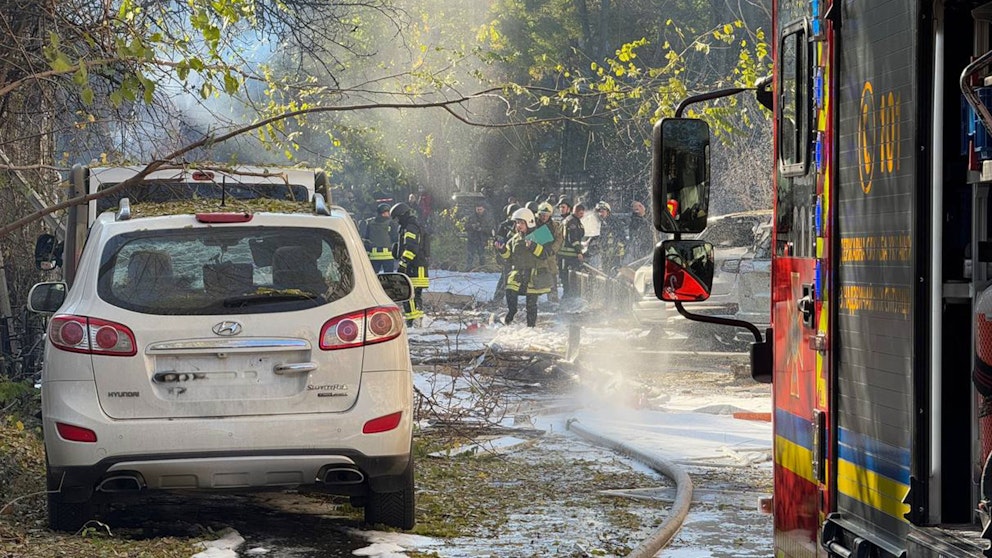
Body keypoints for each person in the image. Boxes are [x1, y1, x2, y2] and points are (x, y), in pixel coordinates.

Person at [494, 207, 552, 327]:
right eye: (517, 223)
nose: (518, 225)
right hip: (518, 273)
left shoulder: (540, 234)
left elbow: (546, 254)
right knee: (510, 291)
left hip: (534, 274)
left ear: (529, 222)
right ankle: (510, 315)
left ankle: (531, 327)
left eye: (521, 223)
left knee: (531, 304)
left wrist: (533, 246)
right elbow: (509, 257)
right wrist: (502, 249)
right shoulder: (515, 238)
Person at [390, 202, 430, 326]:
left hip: (414, 268)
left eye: (397, 218)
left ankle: (413, 322)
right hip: (417, 267)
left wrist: (403, 263)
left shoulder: (410, 227)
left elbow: (411, 248)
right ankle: (417, 321)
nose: (397, 221)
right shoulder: (410, 225)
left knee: (410, 295)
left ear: (402, 215)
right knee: (414, 296)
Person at [535, 201, 563, 302]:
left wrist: (552, 250)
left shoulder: (554, 225)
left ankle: (553, 298)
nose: (544, 217)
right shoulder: (534, 224)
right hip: (537, 255)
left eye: (546, 215)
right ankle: (533, 299)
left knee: (552, 275)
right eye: (542, 215)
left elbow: (559, 239)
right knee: (536, 276)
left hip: (550, 255)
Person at [491, 203, 519, 302]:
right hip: (507, 255)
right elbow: (498, 241)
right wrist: (499, 254)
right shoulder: (504, 226)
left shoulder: (521, 224)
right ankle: (498, 299)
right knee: (505, 277)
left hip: (519, 256)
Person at [359, 203, 398, 273]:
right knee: (389, 277)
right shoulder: (391, 223)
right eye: (388, 212)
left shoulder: (370, 223)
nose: (389, 214)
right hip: (388, 256)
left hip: (374, 256)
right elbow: (395, 238)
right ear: (384, 213)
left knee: (374, 277)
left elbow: (367, 238)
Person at [558, 202, 585, 298]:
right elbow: (573, 238)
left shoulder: (573, 220)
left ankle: (568, 294)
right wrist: (579, 252)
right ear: (576, 211)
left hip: (566, 254)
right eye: (581, 213)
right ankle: (570, 295)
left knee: (567, 275)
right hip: (569, 254)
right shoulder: (573, 221)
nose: (582, 215)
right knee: (570, 275)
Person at [594, 201, 626, 273]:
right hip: (605, 255)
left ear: (608, 211)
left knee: (614, 272)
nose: (600, 214)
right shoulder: (602, 223)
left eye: (602, 211)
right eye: (599, 212)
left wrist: (619, 252)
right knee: (605, 273)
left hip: (615, 255)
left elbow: (621, 238)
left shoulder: (615, 222)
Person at [464, 202, 494, 270]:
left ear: (483, 209)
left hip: (482, 239)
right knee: (470, 255)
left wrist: (481, 229)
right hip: (472, 238)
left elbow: (491, 228)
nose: (479, 211)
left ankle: (483, 268)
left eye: (480, 209)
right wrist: (472, 226)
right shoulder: (472, 217)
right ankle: (468, 268)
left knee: (482, 255)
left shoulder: (488, 217)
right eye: (477, 209)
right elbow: (466, 226)